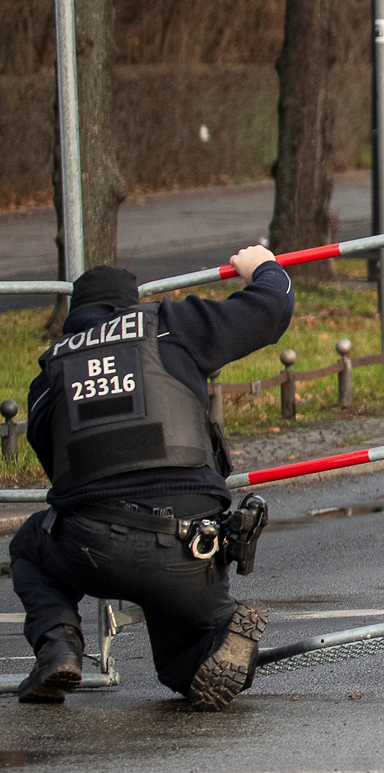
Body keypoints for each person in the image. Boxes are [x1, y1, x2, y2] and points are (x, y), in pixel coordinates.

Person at [12, 248, 294, 709]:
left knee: (29, 546)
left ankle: (58, 647)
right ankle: (222, 631)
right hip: (190, 547)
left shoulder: (50, 373)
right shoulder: (167, 326)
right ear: (131, 305)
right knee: (189, 652)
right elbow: (272, 307)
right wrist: (262, 266)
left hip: (94, 547)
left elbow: (59, 476)